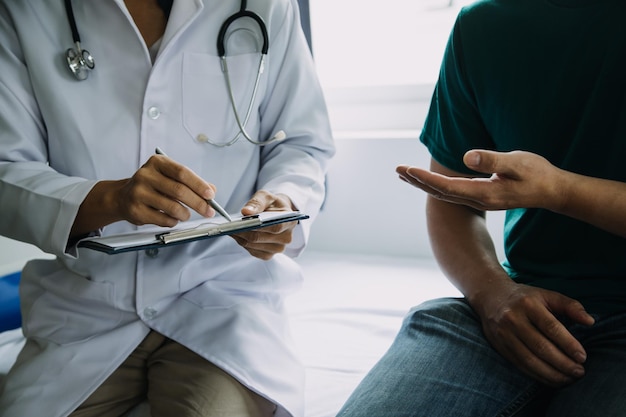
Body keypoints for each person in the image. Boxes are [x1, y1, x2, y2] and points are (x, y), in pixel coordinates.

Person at [0, 1, 334, 417]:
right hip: (87, 305)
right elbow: (6, 170)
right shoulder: (24, 10)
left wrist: (284, 202)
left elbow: (301, 143)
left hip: (223, 297)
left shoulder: (265, 6)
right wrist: (110, 199)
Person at [337, 0, 626, 416]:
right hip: (517, 304)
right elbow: (452, 206)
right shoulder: (481, 25)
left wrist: (560, 192)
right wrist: (491, 291)